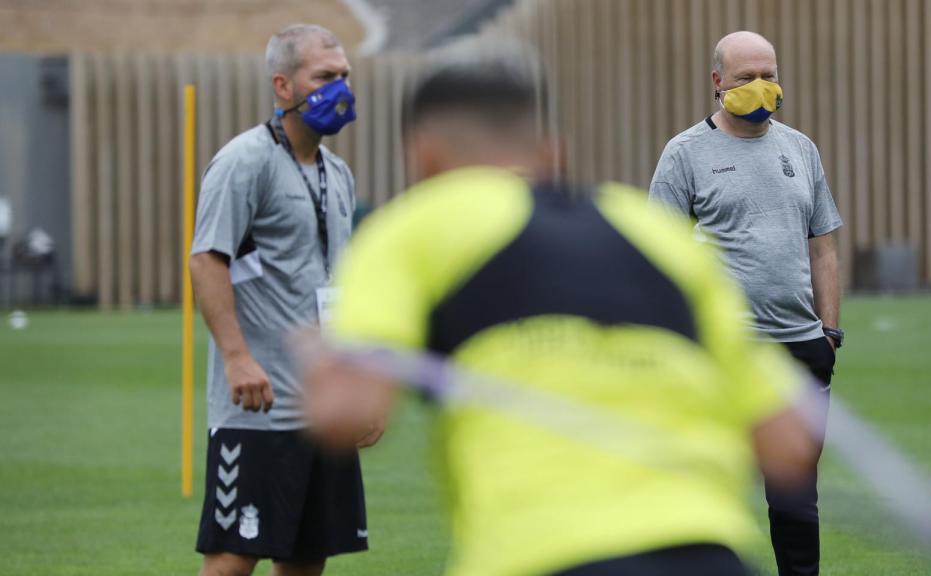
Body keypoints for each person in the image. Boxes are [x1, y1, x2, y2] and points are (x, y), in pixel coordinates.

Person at [301, 38, 819, 576]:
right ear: (550, 152)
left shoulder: (411, 229)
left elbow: (348, 415)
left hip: (539, 555)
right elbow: (788, 445)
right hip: (707, 551)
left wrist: (318, 364)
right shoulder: (651, 234)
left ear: (424, 156)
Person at [649, 30, 843, 576]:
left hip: (800, 349)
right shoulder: (685, 153)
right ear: (717, 83)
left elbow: (823, 246)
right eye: (745, 78)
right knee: (706, 488)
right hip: (721, 354)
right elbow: (658, 255)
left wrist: (830, 332)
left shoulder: (800, 149)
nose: (761, 87)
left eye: (768, 74)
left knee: (796, 498)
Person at [189, 24, 368, 576]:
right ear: (283, 86)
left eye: (344, 77)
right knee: (233, 557)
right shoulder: (245, 161)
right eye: (324, 77)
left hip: (322, 407)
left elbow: (340, 285)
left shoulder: (338, 175)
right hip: (259, 410)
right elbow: (207, 259)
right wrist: (237, 356)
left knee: (307, 557)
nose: (339, 88)